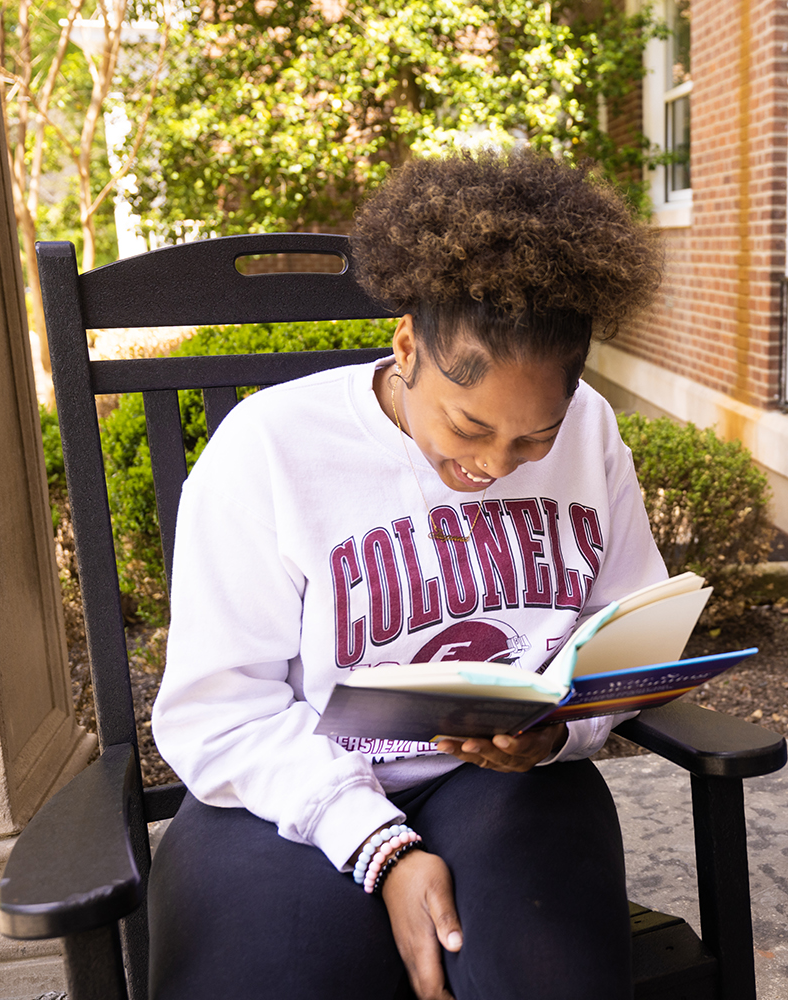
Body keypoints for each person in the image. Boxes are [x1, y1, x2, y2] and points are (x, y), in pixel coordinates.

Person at [147, 151, 666, 1000]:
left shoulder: (591, 430)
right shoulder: (268, 449)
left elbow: (631, 625)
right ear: (407, 345)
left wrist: (557, 733)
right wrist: (381, 848)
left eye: (534, 439)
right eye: (469, 426)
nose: (495, 465)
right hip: (291, 791)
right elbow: (221, 709)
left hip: (506, 783)